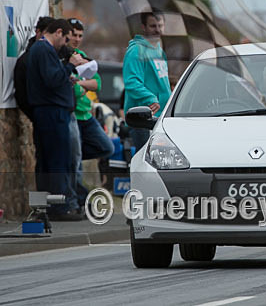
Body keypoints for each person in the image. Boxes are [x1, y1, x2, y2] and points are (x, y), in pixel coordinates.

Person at [26, 18, 86, 221]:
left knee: (49, 160)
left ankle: (48, 206)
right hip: (52, 112)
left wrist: (65, 74)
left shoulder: (41, 50)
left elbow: (52, 77)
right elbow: (52, 80)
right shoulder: (44, 50)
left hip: (49, 111)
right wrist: (69, 66)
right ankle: (60, 207)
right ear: (58, 32)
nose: (66, 44)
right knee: (57, 160)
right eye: (66, 39)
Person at [68, 18, 114, 204]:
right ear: (65, 34)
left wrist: (79, 83)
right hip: (73, 116)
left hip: (86, 115)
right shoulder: (63, 56)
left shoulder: (81, 55)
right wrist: (82, 86)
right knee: (76, 163)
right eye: (73, 34)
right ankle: (78, 200)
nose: (77, 39)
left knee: (106, 147)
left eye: (80, 35)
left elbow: (97, 83)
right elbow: (74, 91)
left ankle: (71, 155)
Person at [123, 12, 171, 150]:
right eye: (153, 26)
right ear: (143, 27)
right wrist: (150, 97)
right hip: (143, 119)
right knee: (145, 165)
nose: (157, 29)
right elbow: (131, 82)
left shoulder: (160, 51)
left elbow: (163, 84)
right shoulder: (136, 50)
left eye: (160, 25)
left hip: (160, 117)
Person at [13, 15, 54, 121]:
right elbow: (21, 94)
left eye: (52, 35)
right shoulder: (27, 60)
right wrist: (37, 115)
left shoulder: (56, 55)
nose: (49, 39)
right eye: (47, 34)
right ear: (38, 32)